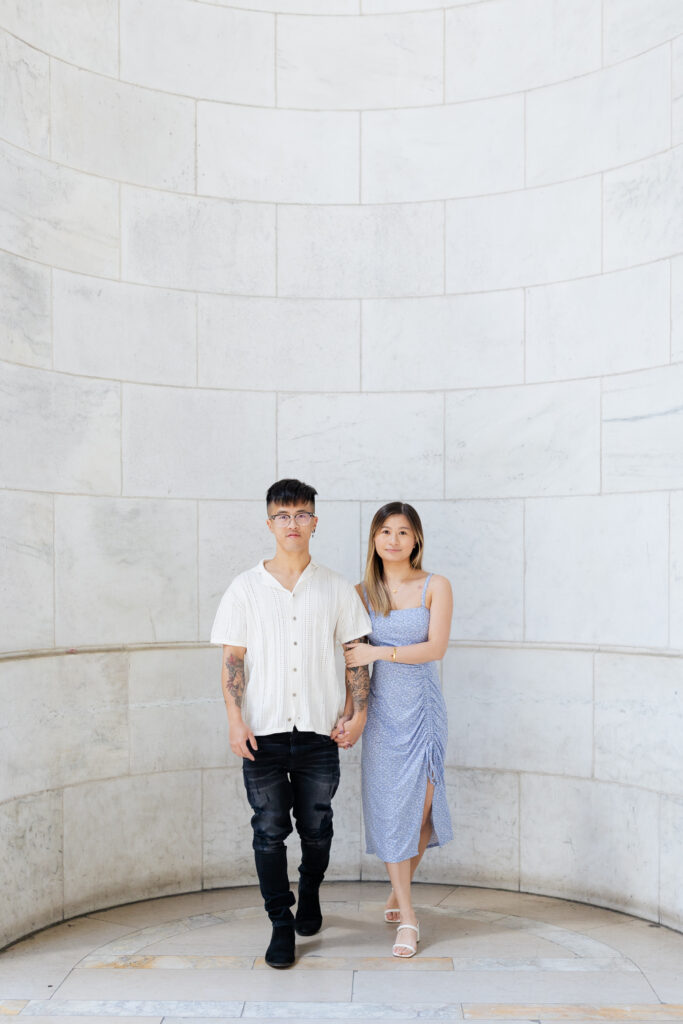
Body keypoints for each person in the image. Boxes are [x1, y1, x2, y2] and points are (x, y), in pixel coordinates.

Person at [211, 478, 371, 969]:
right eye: (283, 516)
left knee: (317, 829)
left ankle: (311, 890)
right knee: (269, 831)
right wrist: (235, 720)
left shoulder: (337, 587)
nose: (293, 524)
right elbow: (232, 660)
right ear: (269, 523)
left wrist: (358, 714)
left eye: (302, 514)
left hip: (321, 732)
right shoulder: (244, 587)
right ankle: (281, 922)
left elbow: (356, 658)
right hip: (262, 731)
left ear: (315, 522)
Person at [344, 501, 453, 958]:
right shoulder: (360, 593)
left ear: (416, 540)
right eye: (385, 531)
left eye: (403, 532)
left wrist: (380, 654)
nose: (393, 539)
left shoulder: (436, 585)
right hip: (384, 714)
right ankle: (408, 915)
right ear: (374, 539)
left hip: (424, 710)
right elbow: (354, 664)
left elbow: (435, 649)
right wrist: (353, 714)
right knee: (391, 809)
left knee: (423, 810)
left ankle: (396, 888)